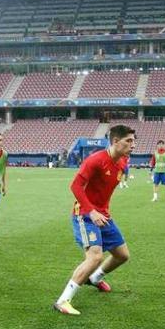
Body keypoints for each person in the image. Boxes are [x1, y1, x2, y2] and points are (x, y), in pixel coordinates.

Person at [53, 124, 135, 315]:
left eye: (133, 141)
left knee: (122, 255)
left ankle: (95, 278)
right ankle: (63, 301)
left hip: (103, 215)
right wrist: (91, 211)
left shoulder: (122, 162)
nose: (133, 145)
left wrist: (104, 210)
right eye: (128, 141)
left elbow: (104, 191)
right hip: (84, 214)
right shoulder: (96, 160)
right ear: (115, 141)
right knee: (95, 256)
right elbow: (75, 186)